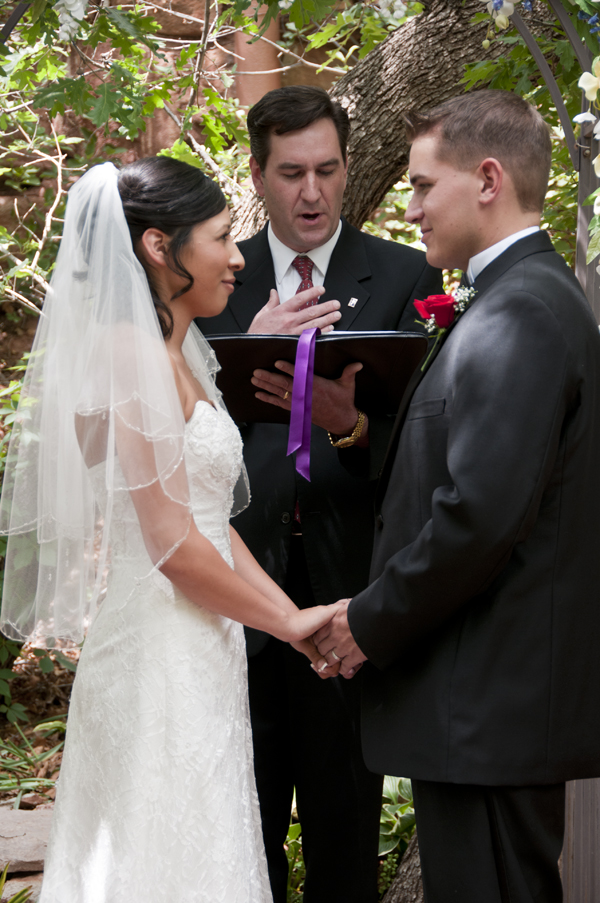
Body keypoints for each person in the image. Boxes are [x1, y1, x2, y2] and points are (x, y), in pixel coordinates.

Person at [0, 157, 340, 903]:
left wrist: (290, 618)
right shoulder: (130, 355)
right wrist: (289, 619)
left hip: (202, 645)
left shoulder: (185, 348)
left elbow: (211, 525)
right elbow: (173, 546)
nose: (240, 257)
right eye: (222, 237)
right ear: (160, 247)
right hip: (154, 650)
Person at [313, 89, 600, 903]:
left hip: (491, 709)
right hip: (484, 711)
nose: (410, 208)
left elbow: (480, 515)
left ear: (486, 178)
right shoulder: (518, 298)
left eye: (421, 185)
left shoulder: (524, 313)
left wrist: (368, 620)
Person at [196, 85, 442, 903]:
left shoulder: (406, 275)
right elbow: (172, 435)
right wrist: (249, 344)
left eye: (328, 171)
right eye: (292, 172)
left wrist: (350, 427)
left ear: (345, 172)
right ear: (259, 176)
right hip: (236, 598)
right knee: (243, 827)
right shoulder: (215, 283)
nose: (312, 192)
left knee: (345, 830)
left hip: (348, 600)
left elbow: (427, 451)